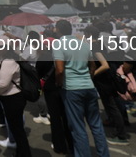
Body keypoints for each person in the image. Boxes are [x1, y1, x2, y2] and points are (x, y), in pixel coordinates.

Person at [53, 19, 109, 157]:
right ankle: (104, 154)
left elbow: (59, 70)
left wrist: (59, 83)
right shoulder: (84, 44)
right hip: (89, 87)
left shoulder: (59, 44)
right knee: (96, 125)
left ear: (58, 30)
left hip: (72, 88)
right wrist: (87, 78)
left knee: (78, 127)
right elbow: (93, 66)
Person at [84, 25, 129, 146]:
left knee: (111, 107)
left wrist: (92, 74)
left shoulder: (95, 46)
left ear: (88, 34)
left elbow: (104, 65)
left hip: (104, 81)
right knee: (113, 105)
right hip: (108, 79)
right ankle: (118, 128)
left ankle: (121, 135)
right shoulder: (99, 44)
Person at [0, 35, 32, 157]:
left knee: (17, 130)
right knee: (17, 129)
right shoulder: (8, 58)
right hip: (13, 98)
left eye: (0, 46)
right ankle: (22, 152)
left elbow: (4, 82)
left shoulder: (8, 61)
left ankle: (24, 153)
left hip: (12, 98)